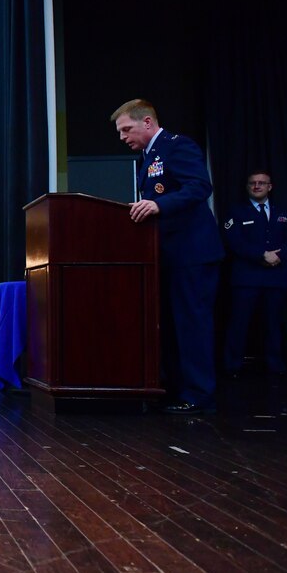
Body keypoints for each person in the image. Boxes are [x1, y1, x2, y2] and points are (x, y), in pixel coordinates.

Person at [112, 99, 224, 413]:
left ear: (147, 122)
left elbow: (200, 186)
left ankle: (200, 395)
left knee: (192, 325)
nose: (122, 137)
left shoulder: (178, 147)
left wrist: (161, 205)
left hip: (193, 254)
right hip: (167, 255)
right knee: (173, 326)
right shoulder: (147, 158)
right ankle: (177, 389)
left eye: (126, 129)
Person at [223, 170, 287, 376]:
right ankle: (232, 367)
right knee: (239, 324)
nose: (257, 186)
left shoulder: (283, 211)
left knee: (274, 324)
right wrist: (261, 255)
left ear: (269, 187)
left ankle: (276, 367)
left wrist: (279, 256)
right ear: (247, 187)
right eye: (253, 183)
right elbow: (233, 241)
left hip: (276, 278)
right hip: (246, 278)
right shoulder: (236, 212)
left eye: (262, 183)